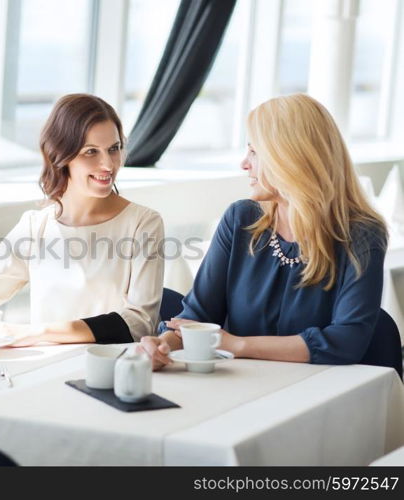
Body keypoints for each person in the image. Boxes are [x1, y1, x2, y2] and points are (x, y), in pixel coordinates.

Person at [141, 94, 388, 370]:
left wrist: (238, 345)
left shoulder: (362, 235)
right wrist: (162, 345)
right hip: (240, 385)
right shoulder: (241, 219)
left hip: (316, 391)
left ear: (291, 159)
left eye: (254, 152)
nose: (244, 163)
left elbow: (346, 341)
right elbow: (197, 317)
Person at [0, 94, 164, 346]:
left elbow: (140, 324)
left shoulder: (143, 223)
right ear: (61, 154)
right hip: (47, 368)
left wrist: (33, 333)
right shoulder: (37, 226)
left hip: (112, 369)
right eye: (91, 152)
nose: (108, 164)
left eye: (114, 149)